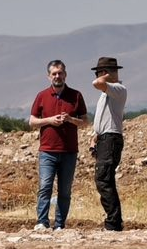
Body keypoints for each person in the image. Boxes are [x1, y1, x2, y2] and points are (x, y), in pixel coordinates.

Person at [27, 59, 87, 231]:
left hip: (69, 151)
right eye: (54, 73)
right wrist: (50, 121)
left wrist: (70, 119)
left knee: (65, 191)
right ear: (48, 77)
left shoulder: (76, 95)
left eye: (60, 73)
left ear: (65, 74)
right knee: (45, 186)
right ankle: (42, 222)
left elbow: (85, 122)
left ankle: (60, 224)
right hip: (47, 150)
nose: (57, 76)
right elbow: (32, 121)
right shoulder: (42, 96)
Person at [90, 55, 128, 231]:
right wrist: (95, 135)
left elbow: (96, 83)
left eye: (100, 72)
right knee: (105, 179)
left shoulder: (118, 89)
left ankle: (113, 222)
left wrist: (104, 77)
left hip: (111, 139)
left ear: (105, 73)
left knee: (103, 179)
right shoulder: (107, 93)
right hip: (104, 138)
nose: (98, 75)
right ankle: (114, 221)